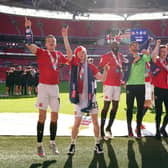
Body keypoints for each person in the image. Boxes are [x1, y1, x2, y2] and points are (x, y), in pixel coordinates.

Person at [24, 17, 72, 157]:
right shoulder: (41, 52)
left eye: (53, 42)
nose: (51, 43)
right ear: (45, 44)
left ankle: (52, 142)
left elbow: (70, 57)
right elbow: (28, 43)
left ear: (55, 44)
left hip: (54, 88)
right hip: (44, 87)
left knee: (55, 117)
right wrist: (28, 28)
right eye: (49, 41)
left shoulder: (59, 54)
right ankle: (39, 145)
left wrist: (65, 36)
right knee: (42, 116)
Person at [67, 46, 109, 155]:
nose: (82, 54)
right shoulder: (74, 65)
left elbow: (102, 79)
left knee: (95, 122)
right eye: (80, 53)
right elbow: (69, 53)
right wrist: (65, 38)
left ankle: (97, 143)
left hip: (91, 97)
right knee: (76, 123)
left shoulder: (90, 66)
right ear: (76, 54)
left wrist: (105, 70)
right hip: (79, 98)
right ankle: (72, 144)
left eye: (84, 52)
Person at [122, 41, 150, 138]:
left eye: (137, 45)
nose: (135, 47)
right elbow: (131, 62)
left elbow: (148, 58)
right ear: (130, 48)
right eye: (133, 45)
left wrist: (146, 53)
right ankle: (129, 129)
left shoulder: (143, 56)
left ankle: (138, 129)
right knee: (129, 108)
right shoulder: (127, 57)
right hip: (130, 85)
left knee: (140, 108)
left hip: (141, 85)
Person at [99, 42, 123, 140]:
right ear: (111, 47)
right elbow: (101, 66)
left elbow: (121, 68)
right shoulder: (106, 56)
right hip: (108, 84)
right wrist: (106, 68)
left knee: (115, 106)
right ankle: (101, 129)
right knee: (106, 106)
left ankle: (109, 128)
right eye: (113, 46)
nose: (115, 47)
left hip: (117, 84)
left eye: (117, 46)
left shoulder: (121, 56)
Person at [152, 40, 168, 139]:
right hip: (158, 89)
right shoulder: (156, 60)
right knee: (158, 111)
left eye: (165, 51)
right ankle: (157, 131)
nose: (163, 53)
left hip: (167, 90)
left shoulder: (166, 62)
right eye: (162, 51)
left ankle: (163, 128)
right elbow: (153, 55)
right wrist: (157, 44)